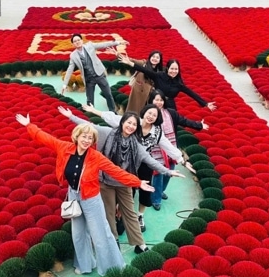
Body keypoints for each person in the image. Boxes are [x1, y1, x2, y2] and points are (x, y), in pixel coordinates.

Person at [15, 113, 154, 276]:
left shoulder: (96, 157)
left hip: (91, 199)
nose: (87, 140)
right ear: (77, 136)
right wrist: (29, 125)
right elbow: (45, 138)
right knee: (79, 235)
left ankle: (112, 268)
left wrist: (138, 182)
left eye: (90, 138)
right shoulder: (65, 148)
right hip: (74, 196)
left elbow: (116, 171)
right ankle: (85, 265)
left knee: (101, 236)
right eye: (84, 136)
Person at [57, 106, 184, 254]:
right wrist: (71, 116)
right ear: (122, 122)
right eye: (128, 123)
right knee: (109, 213)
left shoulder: (136, 144)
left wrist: (168, 171)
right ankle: (114, 242)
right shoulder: (108, 133)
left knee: (129, 212)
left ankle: (139, 244)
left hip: (125, 183)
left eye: (134, 125)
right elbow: (89, 127)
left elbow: (149, 160)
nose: (130, 126)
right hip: (106, 182)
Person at [147, 89, 207, 209]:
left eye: (161, 100)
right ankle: (156, 199)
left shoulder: (171, 113)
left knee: (170, 172)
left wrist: (199, 125)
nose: (158, 102)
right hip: (155, 150)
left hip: (171, 148)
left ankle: (160, 191)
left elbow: (184, 121)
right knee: (158, 174)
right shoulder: (148, 114)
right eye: (156, 100)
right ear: (151, 100)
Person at [119, 55, 216, 112]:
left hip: (169, 107)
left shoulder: (179, 83)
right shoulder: (159, 76)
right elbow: (144, 70)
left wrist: (205, 103)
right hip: (156, 104)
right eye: (172, 69)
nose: (174, 71)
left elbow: (191, 93)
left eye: (176, 69)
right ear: (167, 69)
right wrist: (130, 63)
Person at [61, 34, 128, 112]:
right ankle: (91, 114)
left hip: (99, 74)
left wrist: (118, 42)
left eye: (78, 40)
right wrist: (64, 84)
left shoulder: (90, 45)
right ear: (73, 44)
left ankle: (112, 112)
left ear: (82, 40)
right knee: (89, 99)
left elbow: (103, 44)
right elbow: (70, 69)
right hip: (88, 79)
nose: (77, 42)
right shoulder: (73, 55)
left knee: (108, 94)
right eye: (75, 41)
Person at [124, 50, 163, 115]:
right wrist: (117, 54)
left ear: (160, 60)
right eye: (153, 56)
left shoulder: (160, 71)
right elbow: (132, 61)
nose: (155, 59)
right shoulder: (144, 63)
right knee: (134, 110)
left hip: (149, 95)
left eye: (157, 57)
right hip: (138, 92)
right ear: (150, 57)